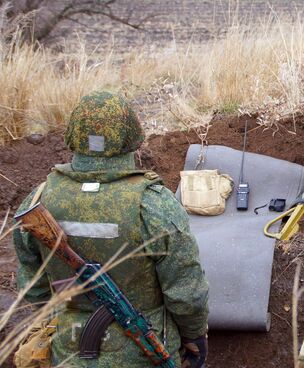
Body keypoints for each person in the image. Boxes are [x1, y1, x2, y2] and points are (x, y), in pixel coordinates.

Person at [13, 91, 210, 366]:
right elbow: (186, 291)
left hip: (68, 352)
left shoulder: (39, 199)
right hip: (141, 356)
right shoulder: (152, 203)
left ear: (74, 136)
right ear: (132, 137)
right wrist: (195, 336)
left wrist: (60, 319)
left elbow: (32, 287)